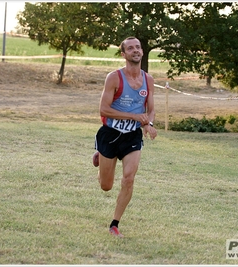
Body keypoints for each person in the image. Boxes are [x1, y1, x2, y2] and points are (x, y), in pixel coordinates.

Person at [92, 37, 157, 237]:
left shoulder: (149, 80)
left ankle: (114, 224)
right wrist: (134, 116)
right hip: (110, 134)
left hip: (132, 137)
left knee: (128, 179)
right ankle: (100, 156)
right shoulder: (114, 78)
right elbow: (104, 109)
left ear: (142, 52)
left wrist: (148, 123)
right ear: (124, 54)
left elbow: (151, 109)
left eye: (138, 47)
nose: (135, 50)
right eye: (130, 48)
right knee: (106, 186)